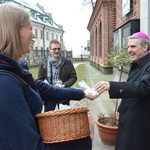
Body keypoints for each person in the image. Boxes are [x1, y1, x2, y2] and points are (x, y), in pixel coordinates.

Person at [0, 3, 98, 150]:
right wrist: (84, 139)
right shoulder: (5, 82)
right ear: (14, 31)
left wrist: (83, 93)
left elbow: (48, 90)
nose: (33, 35)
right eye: (31, 29)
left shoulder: (15, 71)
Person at [94, 31, 150, 150]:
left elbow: (142, 87)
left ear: (145, 47)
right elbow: (130, 88)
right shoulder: (136, 63)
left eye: (133, 46)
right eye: (128, 46)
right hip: (129, 117)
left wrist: (111, 85)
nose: (129, 50)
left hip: (139, 122)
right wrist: (121, 108)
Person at [38, 39, 77, 111]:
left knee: (65, 117)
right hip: (49, 93)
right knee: (48, 116)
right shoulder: (44, 62)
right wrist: (46, 85)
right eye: (54, 49)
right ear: (50, 50)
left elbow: (73, 77)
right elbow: (40, 78)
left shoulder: (67, 62)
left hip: (63, 93)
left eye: (58, 49)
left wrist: (64, 85)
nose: (57, 51)